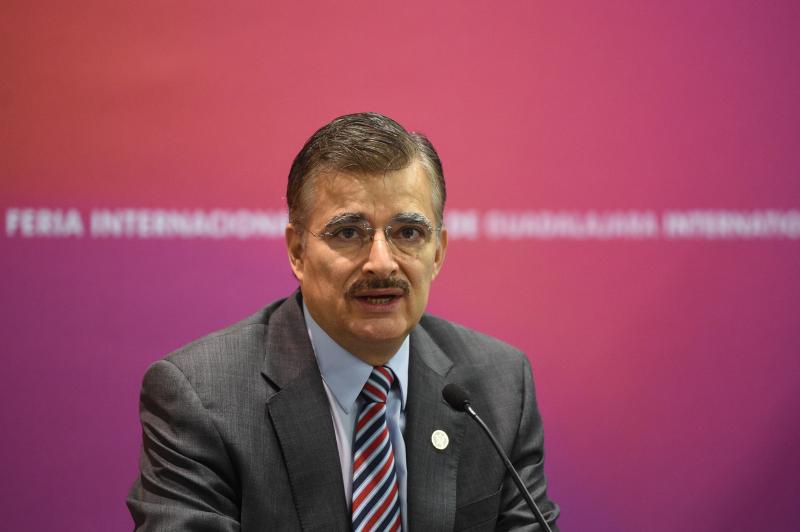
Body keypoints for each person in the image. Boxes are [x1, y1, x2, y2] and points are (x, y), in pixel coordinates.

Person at [127, 112, 560, 531]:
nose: (381, 262)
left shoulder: (499, 387)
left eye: (407, 233)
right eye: (349, 232)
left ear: (438, 253)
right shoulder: (203, 397)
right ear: (297, 251)